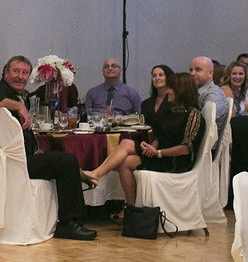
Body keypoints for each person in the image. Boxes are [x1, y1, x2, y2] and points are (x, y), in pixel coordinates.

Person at [0, 55, 97, 240]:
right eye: (16, 71)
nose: (20, 76)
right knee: (66, 161)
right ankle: (69, 223)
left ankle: (72, 211)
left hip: (20, 159)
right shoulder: (1, 91)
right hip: (12, 164)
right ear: (5, 73)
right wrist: (18, 106)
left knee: (62, 159)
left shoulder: (18, 95)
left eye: (25, 73)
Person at [80, 72, 205, 217]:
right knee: (125, 158)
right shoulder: (172, 111)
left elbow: (185, 148)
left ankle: (97, 176)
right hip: (160, 154)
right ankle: (131, 209)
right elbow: (161, 135)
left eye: (171, 88)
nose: (168, 91)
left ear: (181, 90)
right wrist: (152, 147)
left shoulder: (193, 115)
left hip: (174, 161)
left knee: (126, 145)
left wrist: (158, 153)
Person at [190, 55, 229, 156]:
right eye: (191, 70)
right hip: (195, 145)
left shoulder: (214, 94)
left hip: (204, 152)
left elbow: (207, 124)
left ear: (210, 73)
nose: (192, 73)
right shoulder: (196, 92)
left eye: (198, 70)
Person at [141, 64, 175, 130]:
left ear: (168, 77)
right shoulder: (145, 104)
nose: (157, 78)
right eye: (154, 76)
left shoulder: (175, 102)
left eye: (161, 75)